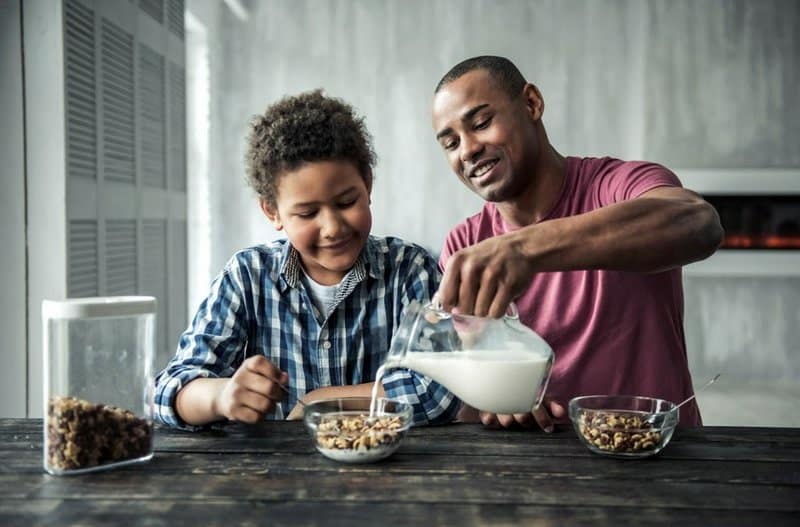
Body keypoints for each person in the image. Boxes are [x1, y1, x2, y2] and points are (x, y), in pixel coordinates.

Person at [430, 56, 723, 430]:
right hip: (543, 464)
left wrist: (525, 248)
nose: (467, 149)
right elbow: (472, 398)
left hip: (657, 453)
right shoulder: (464, 245)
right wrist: (500, 404)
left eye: (482, 123)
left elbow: (699, 223)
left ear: (532, 103)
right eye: (451, 142)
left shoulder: (620, 186)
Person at [155, 90, 459, 429]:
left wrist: (322, 400)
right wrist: (221, 395)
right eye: (308, 213)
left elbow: (440, 390)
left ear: (367, 185)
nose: (332, 228)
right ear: (273, 212)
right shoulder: (247, 276)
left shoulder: (410, 269)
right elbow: (170, 389)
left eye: (346, 203)